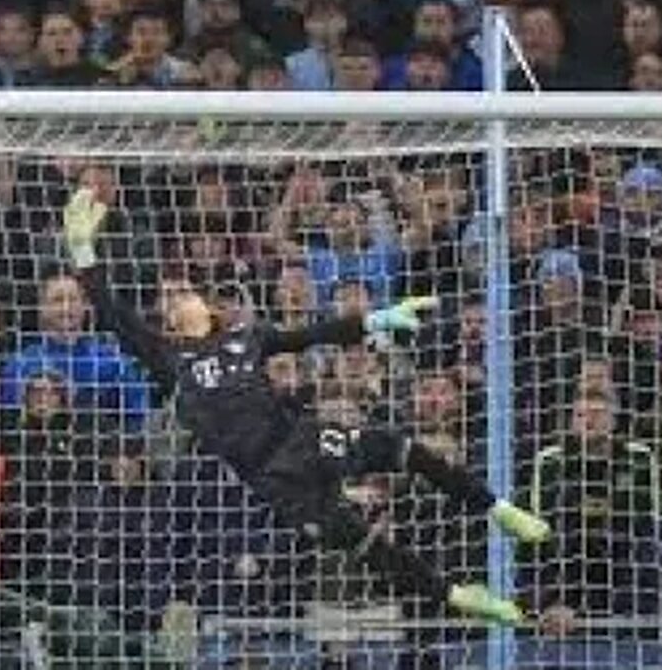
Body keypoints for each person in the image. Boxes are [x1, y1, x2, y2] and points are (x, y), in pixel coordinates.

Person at [61, 187, 550, 626]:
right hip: (270, 479)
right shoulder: (169, 359)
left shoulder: (246, 339)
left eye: (184, 294)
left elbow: (313, 334)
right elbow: (111, 312)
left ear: (208, 309)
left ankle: (500, 509)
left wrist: (377, 316)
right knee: (363, 544)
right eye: (169, 300)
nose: (176, 303)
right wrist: (83, 250)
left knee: (404, 450)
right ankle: (460, 597)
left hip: (300, 438)